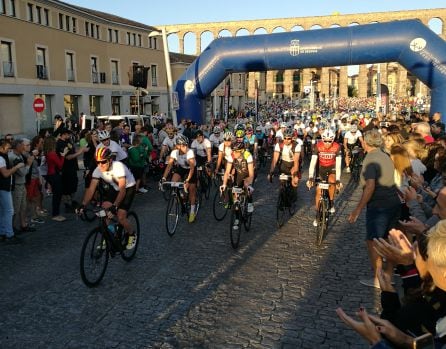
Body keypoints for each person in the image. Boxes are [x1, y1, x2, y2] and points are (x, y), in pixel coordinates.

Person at [348, 129, 401, 288]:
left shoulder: (370, 159)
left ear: (366, 142)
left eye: (363, 140)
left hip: (379, 205)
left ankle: (378, 278)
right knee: (389, 241)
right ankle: (389, 275)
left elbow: (370, 186)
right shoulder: (385, 155)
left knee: (373, 241)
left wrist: (357, 209)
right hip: (393, 202)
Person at [78, 147, 137, 250]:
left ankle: (132, 234)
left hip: (128, 188)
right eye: (98, 162)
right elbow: (91, 189)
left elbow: (122, 190)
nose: (100, 165)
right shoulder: (98, 170)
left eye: (103, 162)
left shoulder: (118, 167)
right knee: (104, 209)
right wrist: (83, 205)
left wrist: (114, 206)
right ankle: (108, 236)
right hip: (115, 188)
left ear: (110, 160)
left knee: (121, 216)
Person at [306, 129, 342, 227]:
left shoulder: (337, 147)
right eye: (325, 141)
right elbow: (312, 163)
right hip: (321, 168)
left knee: (332, 181)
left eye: (329, 141)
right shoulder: (318, 146)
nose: (327, 143)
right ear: (322, 140)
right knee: (318, 191)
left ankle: (331, 202)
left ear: (333, 140)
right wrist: (310, 177)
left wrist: (338, 179)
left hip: (332, 168)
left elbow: (338, 165)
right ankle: (317, 214)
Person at [161, 134, 198, 223]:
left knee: (192, 190)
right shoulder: (174, 153)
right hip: (181, 168)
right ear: (177, 146)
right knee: (173, 182)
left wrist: (188, 180)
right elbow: (169, 166)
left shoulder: (190, 152)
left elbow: (192, 168)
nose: (186, 147)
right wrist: (163, 178)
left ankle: (192, 212)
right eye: (183, 145)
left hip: (191, 170)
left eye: (186, 145)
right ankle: (179, 196)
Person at [9, 138, 36, 233]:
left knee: (23, 206)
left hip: (21, 184)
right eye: (23, 146)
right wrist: (28, 164)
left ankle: (23, 225)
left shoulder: (19, 154)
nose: (25, 148)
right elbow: (22, 172)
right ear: (18, 146)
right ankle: (11, 227)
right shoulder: (13, 156)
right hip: (17, 185)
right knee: (15, 208)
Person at [220, 141, 255, 214]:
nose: (234, 153)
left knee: (246, 185)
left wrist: (249, 184)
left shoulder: (248, 156)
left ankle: (250, 203)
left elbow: (251, 174)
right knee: (236, 194)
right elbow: (227, 172)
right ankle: (237, 217)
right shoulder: (231, 155)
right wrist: (224, 184)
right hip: (239, 174)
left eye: (236, 151)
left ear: (242, 151)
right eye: (233, 151)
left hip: (248, 174)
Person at [0, 139, 24, 244]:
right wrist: (17, 167)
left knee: (3, 211)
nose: (10, 150)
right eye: (8, 148)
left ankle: (3, 233)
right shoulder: (1, 158)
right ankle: (9, 234)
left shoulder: (2, 157)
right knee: (9, 210)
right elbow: (5, 174)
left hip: (3, 187)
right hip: (3, 187)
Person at [268, 128, 301, 202]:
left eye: (289, 139)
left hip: (293, 164)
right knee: (282, 181)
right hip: (283, 164)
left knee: (294, 182)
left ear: (292, 138)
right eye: (285, 138)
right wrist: (271, 172)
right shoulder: (279, 145)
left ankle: (294, 193)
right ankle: (282, 197)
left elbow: (296, 161)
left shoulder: (296, 146)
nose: (286, 140)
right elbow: (275, 159)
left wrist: (295, 173)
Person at [44, 136, 69, 221]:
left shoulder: (47, 152)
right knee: (57, 195)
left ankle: (56, 213)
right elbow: (60, 165)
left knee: (56, 195)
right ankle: (55, 214)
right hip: (54, 175)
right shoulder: (52, 153)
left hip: (51, 175)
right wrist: (63, 155)